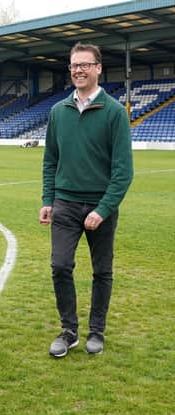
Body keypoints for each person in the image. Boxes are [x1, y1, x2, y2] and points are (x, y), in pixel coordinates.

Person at [40, 42, 133, 357]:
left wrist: (103, 209)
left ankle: (97, 331)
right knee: (60, 265)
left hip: (99, 206)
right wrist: (48, 199)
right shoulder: (57, 111)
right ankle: (69, 331)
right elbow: (50, 160)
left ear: (98, 68)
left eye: (84, 64)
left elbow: (123, 172)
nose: (78, 70)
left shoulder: (115, 113)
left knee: (101, 271)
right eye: (73, 65)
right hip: (65, 203)